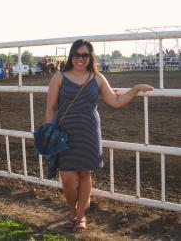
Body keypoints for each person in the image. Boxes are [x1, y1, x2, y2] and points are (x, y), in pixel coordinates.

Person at [45, 39, 154, 232]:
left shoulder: (97, 77)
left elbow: (116, 101)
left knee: (84, 173)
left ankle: (80, 216)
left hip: (88, 132)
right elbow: (51, 107)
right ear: (71, 56)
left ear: (90, 57)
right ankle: (72, 209)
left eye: (85, 55)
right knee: (67, 177)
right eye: (77, 54)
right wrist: (49, 130)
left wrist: (135, 89)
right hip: (64, 134)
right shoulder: (59, 77)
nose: (80, 58)